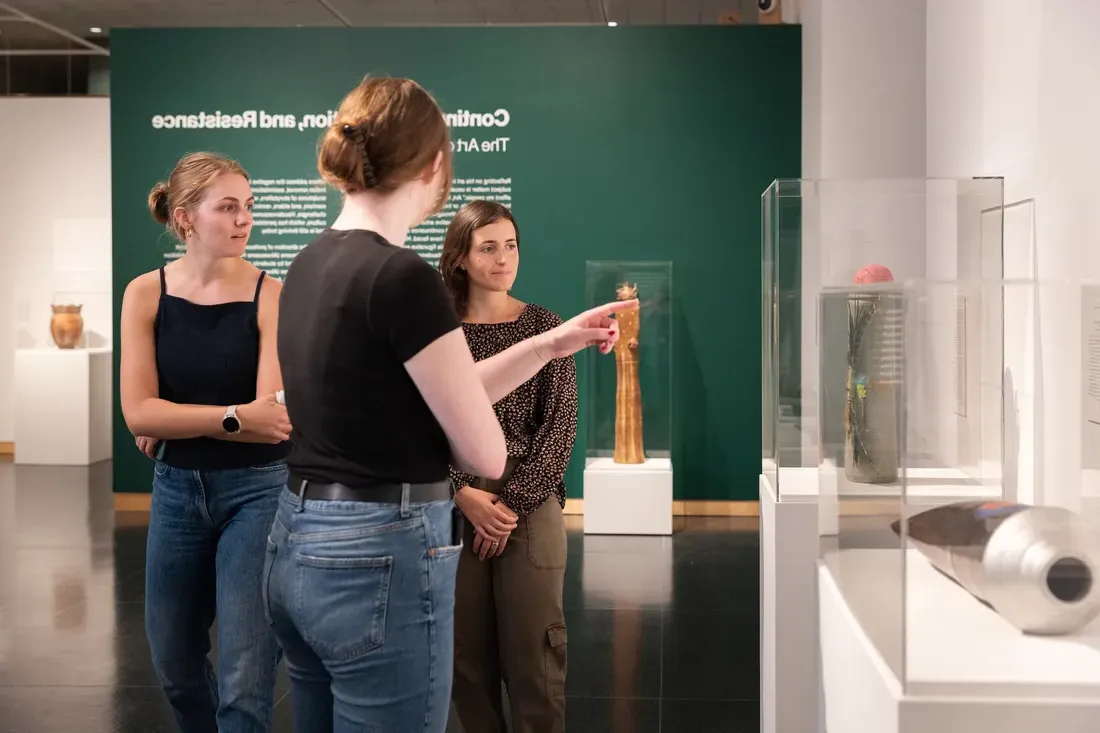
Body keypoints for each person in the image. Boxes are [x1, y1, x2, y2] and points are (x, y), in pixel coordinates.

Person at [266, 75, 635, 733]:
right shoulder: (403, 276)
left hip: (298, 536)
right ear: (436, 166)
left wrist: (550, 343)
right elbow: (481, 445)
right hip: (379, 550)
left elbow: (427, 393)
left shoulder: (310, 263)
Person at [119, 151, 292, 733]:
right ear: (186, 217)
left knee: (246, 681)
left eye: (248, 207)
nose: (245, 220)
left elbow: (272, 418)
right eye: (228, 207)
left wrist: (177, 417)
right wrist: (230, 416)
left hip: (260, 492)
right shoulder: (145, 293)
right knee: (173, 664)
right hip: (175, 490)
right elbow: (137, 411)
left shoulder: (273, 293)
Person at [439, 200, 576, 733]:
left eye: (511, 245)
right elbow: (420, 423)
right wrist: (462, 492)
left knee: (536, 658)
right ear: (461, 258)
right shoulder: (439, 333)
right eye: (488, 247)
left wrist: (509, 505)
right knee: (465, 662)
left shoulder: (544, 325)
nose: (503, 259)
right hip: (451, 504)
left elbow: (560, 427)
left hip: (529, 502)